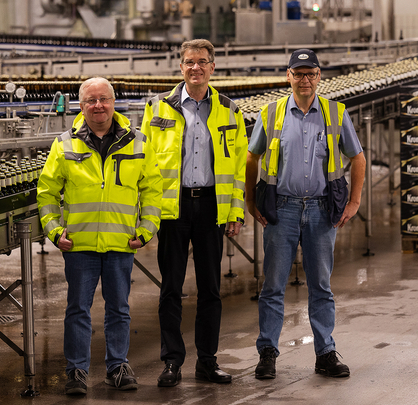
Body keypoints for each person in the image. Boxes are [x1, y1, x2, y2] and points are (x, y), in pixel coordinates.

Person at [245, 49, 366, 380]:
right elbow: (251, 158)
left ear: (319, 76)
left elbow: (358, 158)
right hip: (281, 210)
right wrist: (250, 200)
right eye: (298, 73)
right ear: (288, 77)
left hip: (320, 210)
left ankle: (325, 353)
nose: (304, 79)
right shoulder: (270, 114)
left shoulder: (336, 113)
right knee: (272, 286)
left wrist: (354, 202)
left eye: (310, 73)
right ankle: (267, 352)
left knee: (321, 286)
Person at [37, 77, 163, 395]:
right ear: (81, 106)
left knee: (118, 307)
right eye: (91, 100)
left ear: (113, 102)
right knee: (78, 308)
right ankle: (76, 371)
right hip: (80, 244)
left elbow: (152, 190)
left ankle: (117, 366)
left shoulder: (137, 141)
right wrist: (53, 230)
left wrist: (147, 229)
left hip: (121, 241)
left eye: (104, 99)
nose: (98, 106)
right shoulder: (65, 143)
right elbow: (47, 192)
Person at [140, 39, 248, 387]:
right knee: (171, 288)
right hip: (174, 208)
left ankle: (207, 361)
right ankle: (172, 361)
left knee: (211, 289)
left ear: (212, 67)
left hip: (212, 207)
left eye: (202, 62)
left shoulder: (230, 110)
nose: (196, 68)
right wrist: (147, 214)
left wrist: (235, 212)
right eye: (189, 62)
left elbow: (237, 168)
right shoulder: (158, 108)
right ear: (181, 67)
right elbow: (144, 163)